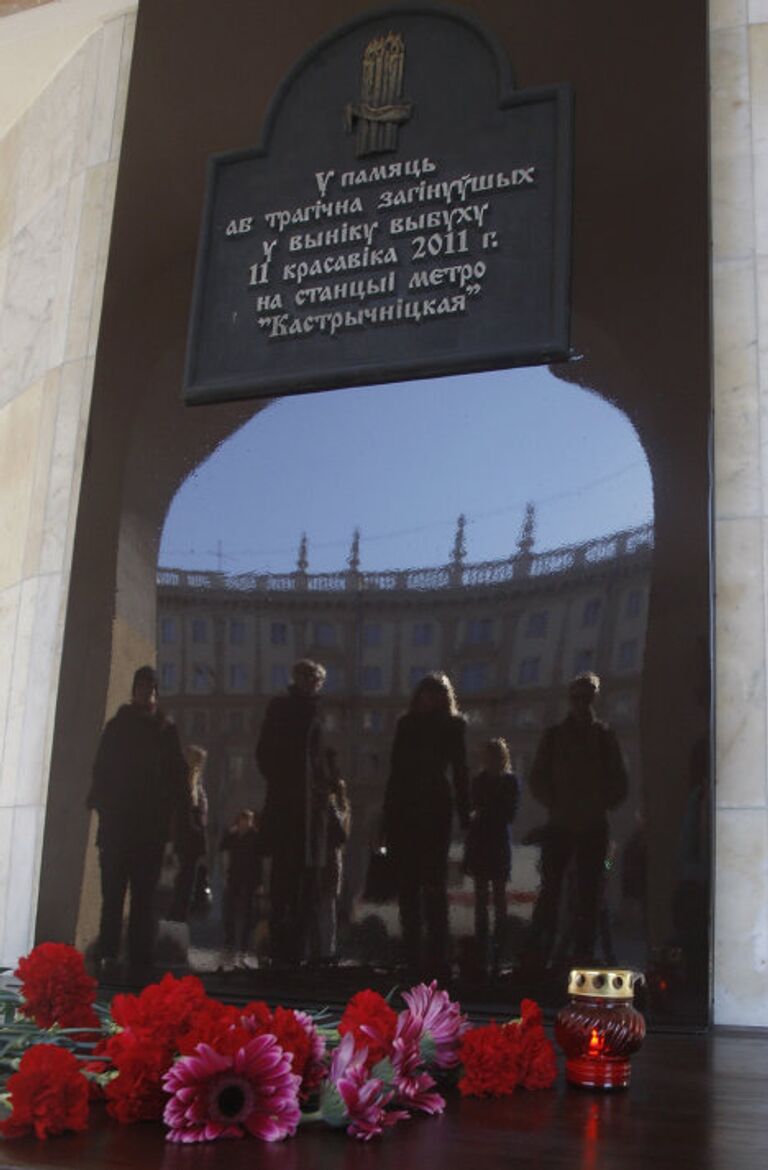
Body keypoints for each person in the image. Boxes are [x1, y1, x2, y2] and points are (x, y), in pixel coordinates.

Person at [87, 665, 190, 974]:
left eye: (153, 689)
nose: (148, 694)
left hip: (148, 831)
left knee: (144, 899)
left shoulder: (165, 730)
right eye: (144, 688)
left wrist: (172, 821)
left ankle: (139, 960)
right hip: (119, 829)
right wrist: (106, 809)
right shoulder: (117, 727)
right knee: (113, 896)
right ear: (134, 691)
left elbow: (178, 780)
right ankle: (108, 955)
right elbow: (101, 772)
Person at [526, 671, 628, 969]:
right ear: (571, 700)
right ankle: (541, 950)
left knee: (587, 893)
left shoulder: (604, 736)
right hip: (561, 824)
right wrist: (556, 803)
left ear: (594, 699)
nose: (582, 703)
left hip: (592, 825)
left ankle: (580, 952)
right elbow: (538, 777)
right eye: (578, 697)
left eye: (587, 697)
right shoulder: (555, 736)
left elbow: (619, 779)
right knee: (551, 891)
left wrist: (600, 804)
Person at [382, 671, 470, 977]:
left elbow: (460, 770)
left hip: (434, 810)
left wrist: (465, 812)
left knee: (433, 886)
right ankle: (412, 958)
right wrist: (387, 819)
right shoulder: (406, 725)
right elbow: (395, 772)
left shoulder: (452, 726)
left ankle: (436, 959)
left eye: (435, 694)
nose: (429, 699)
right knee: (408, 888)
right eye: (425, 693)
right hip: (407, 810)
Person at [255, 658, 329, 965]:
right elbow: (264, 752)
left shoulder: (317, 712)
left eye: (315, 679)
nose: (310, 682)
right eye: (306, 676)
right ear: (296, 677)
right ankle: (281, 950)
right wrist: (284, 781)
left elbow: (320, 758)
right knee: (284, 881)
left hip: (311, 811)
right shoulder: (281, 707)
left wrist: (322, 788)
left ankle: (295, 952)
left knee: (305, 881)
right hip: (288, 807)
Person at [464, 738, 520, 976]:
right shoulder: (494, 782)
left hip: (492, 845)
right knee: (487, 905)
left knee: (495, 904)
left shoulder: (504, 782)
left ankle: (494, 956)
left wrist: (485, 812)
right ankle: (487, 957)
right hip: (487, 844)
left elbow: (505, 813)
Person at [311, 749, 352, 964]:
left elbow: (337, 834)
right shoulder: (341, 805)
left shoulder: (328, 804)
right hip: (332, 861)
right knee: (328, 909)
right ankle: (326, 950)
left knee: (324, 909)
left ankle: (323, 952)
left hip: (324, 862)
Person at [167, 744, 209, 923]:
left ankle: (178, 916)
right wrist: (197, 830)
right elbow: (188, 812)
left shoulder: (192, 782)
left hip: (188, 838)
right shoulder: (189, 782)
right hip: (189, 838)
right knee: (185, 881)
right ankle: (178, 917)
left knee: (185, 880)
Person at [219, 808, 263, 970]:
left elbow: (259, 861)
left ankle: (243, 947)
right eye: (242, 821)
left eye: (247, 822)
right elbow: (223, 849)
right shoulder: (233, 836)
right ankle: (230, 942)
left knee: (248, 914)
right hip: (235, 878)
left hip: (249, 880)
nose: (244, 825)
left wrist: (260, 882)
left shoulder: (255, 838)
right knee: (230, 911)